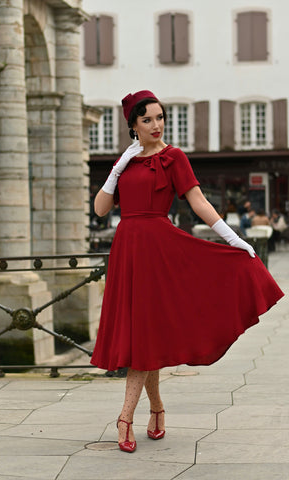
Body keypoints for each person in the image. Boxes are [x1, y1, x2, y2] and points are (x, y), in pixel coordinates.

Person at [91, 90, 284, 453]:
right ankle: (159, 409)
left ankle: (124, 418)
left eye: (160, 117)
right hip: (127, 252)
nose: (156, 125)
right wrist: (117, 168)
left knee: (144, 336)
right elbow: (102, 209)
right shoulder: (128, 161)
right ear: (133, 125)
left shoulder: (173, 157)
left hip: (160, 251)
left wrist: (233, 238)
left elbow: (198, 201)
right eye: (147, 119)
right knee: (143, 337)